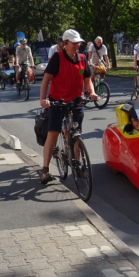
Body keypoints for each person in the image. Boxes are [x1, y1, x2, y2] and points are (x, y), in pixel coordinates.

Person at [39, 29, 98, 184]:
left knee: (76, 133)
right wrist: (43, 99)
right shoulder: (57, 58)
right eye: (74, 43)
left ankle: (77, 163)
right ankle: (45, 169)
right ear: (65, 43)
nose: (77, 45)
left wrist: (91, 92)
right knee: (53, 133)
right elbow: (46, 79)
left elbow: (87, 79)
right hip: (57, 101)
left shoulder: (82, 58)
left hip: (76, 100)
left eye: (79, 43)